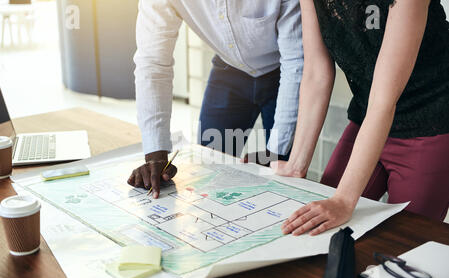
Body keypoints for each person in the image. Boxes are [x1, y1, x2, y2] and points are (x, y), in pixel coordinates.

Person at [274, 0, 449, 237]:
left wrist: (345, 201)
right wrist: (296, 165)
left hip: (431, 120)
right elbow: (316, 72)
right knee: (319, 226)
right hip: (366, 116)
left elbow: (384, 100)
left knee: (402, 243)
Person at [127, 1, 304, 198]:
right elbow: (153, 63)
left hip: (286, 71)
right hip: (230, 69)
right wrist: (156, 155)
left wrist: (277, 152)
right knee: (210, 173)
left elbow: (297, 61)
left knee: (283, 174)